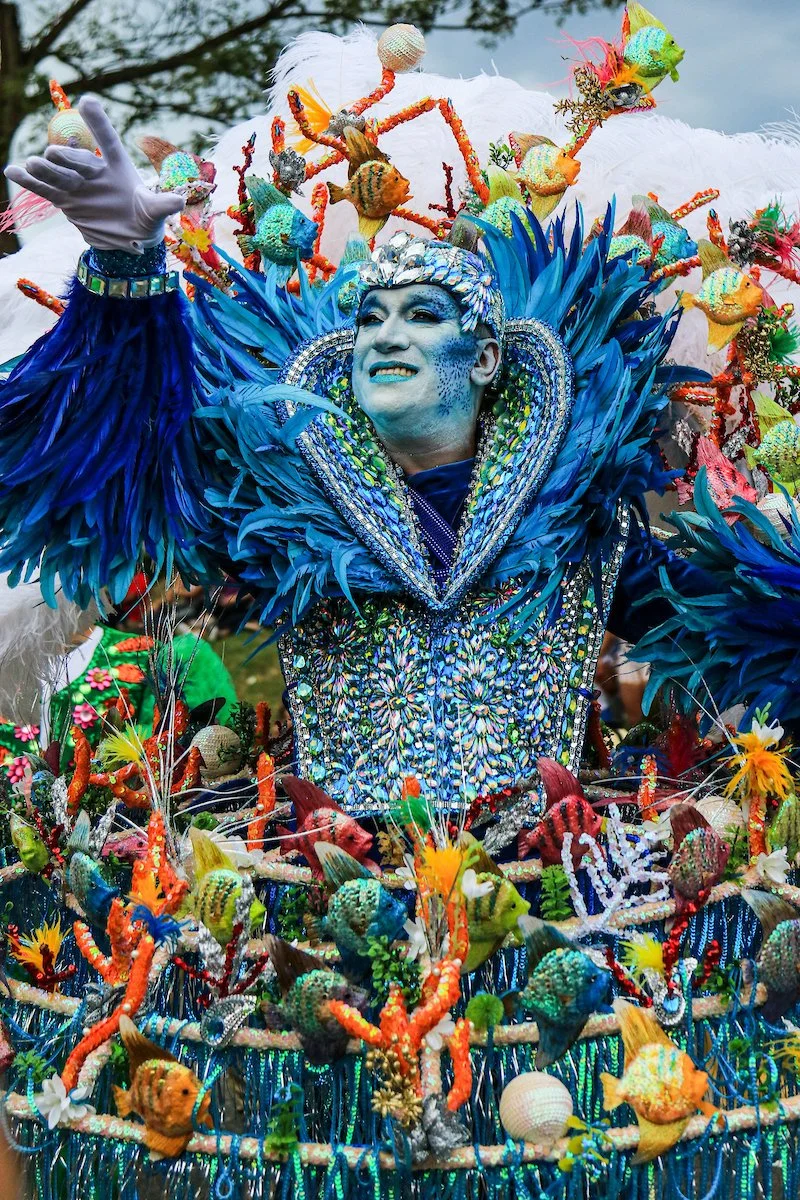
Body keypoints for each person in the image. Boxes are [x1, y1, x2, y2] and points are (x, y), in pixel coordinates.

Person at [0, 100, 709, 845]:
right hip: (329, 880)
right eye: (371, 318)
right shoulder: (277, 496)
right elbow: (123, 459)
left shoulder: (579, 511)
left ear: (487, 359)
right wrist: (124, 272)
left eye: (423, 315)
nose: (385, 337)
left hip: (545, 876)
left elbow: (716, 623)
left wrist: (766, 566)